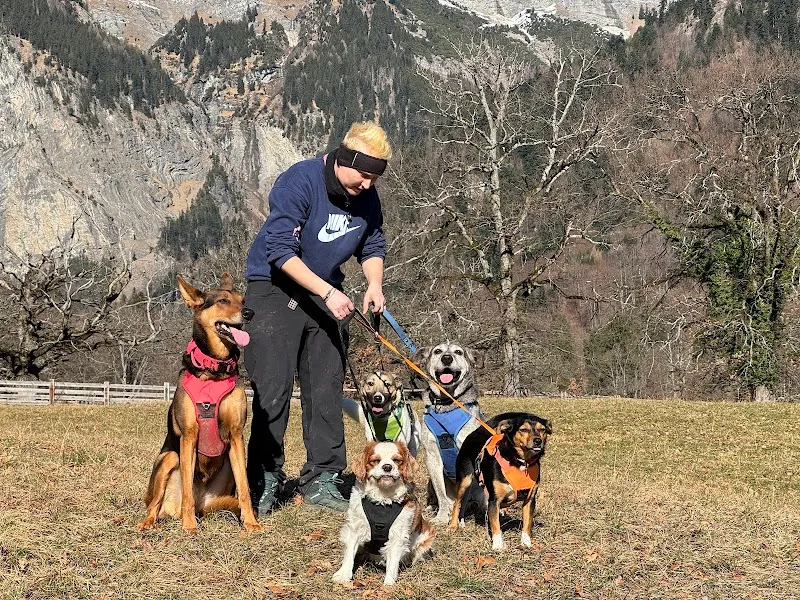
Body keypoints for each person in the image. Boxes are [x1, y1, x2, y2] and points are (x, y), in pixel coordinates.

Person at [243, 121, 391, 513]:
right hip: (275, 289)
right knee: (272, 390)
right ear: (344, 161)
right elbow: (279, 249)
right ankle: (264, 477)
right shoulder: (300, 181)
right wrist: (326, 291)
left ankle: (323, 478)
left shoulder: (367, 196)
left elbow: (372, 242)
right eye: (363, 176)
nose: (367, 186)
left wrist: (373, 284)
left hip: (328, 294)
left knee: (325, 388)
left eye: (375, 179)